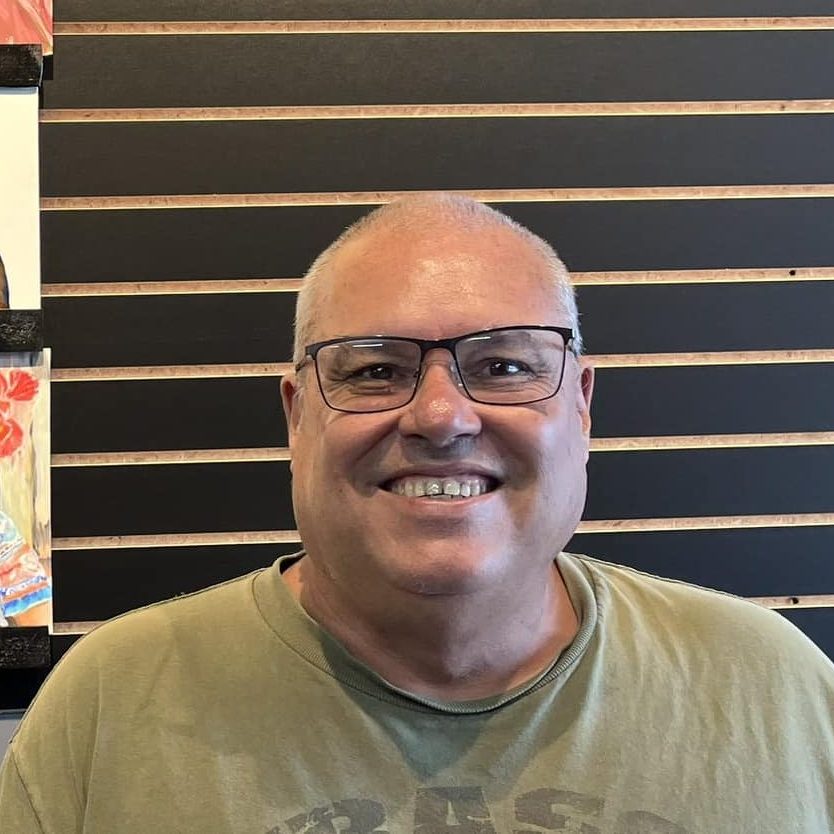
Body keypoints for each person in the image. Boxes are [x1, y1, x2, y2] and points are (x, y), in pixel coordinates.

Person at [1, 194, 833, 832]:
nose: (441, 417)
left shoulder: (776, 692)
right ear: (297, 417)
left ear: (581, 408)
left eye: (503, 366)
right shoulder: (111, 707)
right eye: (374, 371)